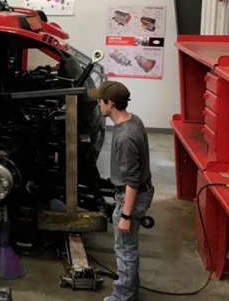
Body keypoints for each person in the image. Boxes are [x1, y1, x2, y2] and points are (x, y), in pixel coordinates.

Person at [88, 81, 153, 301]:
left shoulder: (125, 137)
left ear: (111, 104)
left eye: (101, 100)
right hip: (134, 191)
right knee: (127, 248)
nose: (98, 103)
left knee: (125, 250)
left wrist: (126, 214)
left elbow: (133, 181)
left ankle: (122, 297)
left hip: (131, 196)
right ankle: (130, 289)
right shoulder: (133, 120)